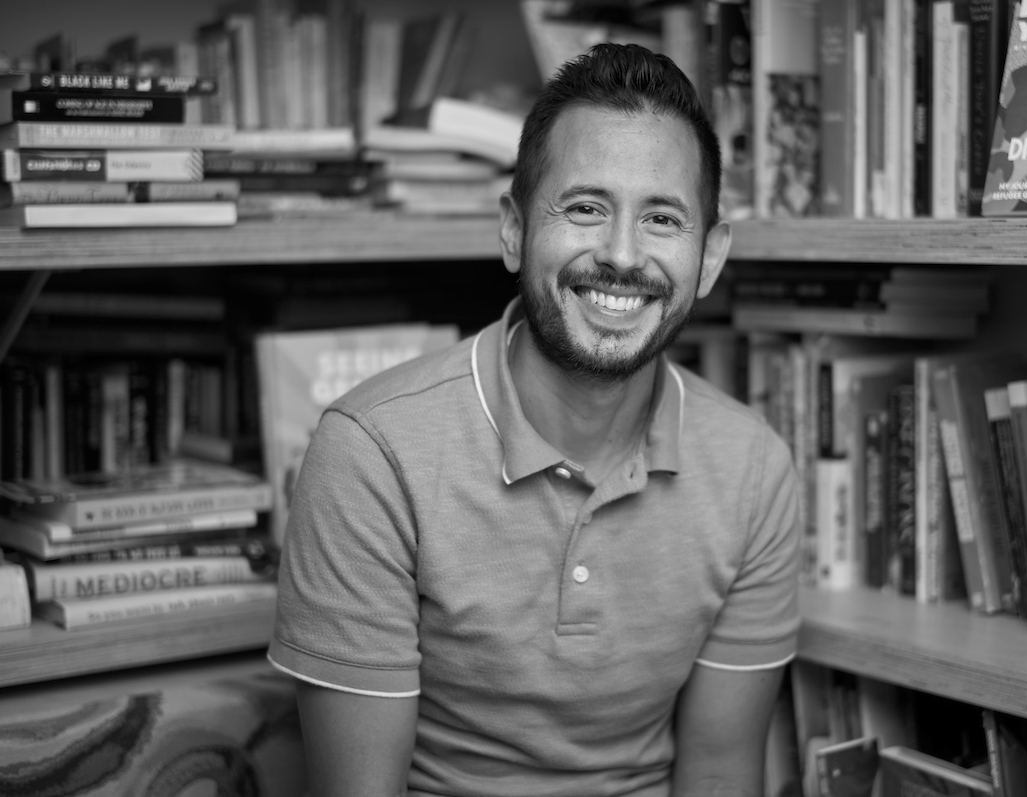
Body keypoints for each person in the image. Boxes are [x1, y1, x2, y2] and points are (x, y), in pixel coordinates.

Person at [267, 42, 801, 797]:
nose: (622, 255)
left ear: (709, 258)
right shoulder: (371, 453)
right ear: (515, 231)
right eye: (585, 208)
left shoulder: (755, 469)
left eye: (661, 218)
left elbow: (717, 772)